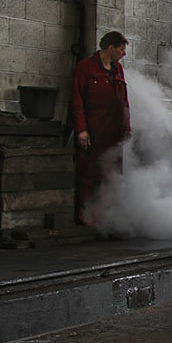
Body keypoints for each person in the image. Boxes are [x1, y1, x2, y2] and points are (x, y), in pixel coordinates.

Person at [70, 31, 130, 225]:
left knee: (112, 173)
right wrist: (81, 129)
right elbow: (77, 100)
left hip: (115, 131)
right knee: (89, 173)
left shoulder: (118, 69)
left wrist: (127, 126)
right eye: (121, 49)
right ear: (110, 48)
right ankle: (86, 216)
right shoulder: (86, 68)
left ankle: (109, 216)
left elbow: (124, 101)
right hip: (94, 129)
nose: (124, 53)